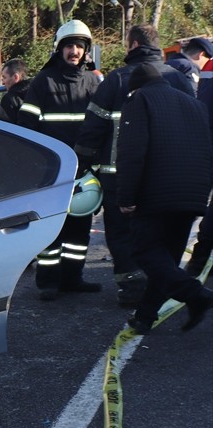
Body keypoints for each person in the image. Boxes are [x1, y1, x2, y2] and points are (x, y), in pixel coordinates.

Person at [73, 25, 173, 308]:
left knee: (121, 234)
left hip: (118, 177)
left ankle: (132, 288)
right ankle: (161, 285)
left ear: (134, 45)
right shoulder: (177, 77)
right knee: (160, 233)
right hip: (165, 177)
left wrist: (82, 165)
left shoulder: (116, 79)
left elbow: (93, 128)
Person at [116, 64, 213, 334]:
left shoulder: (140, 100)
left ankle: (196, 295)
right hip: (192, 193)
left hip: (155, 193)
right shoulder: (194, 104)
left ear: (135, 87)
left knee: (145, 251)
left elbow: (132, 151)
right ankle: (144, 317)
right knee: (166, 260)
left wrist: (126, 195)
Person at [18, 19, 103, 300]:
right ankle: (48, 282)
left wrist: (95, 164)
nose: (74, 51)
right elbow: (27, 126)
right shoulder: (44, 81)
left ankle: (72, 278)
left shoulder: (93, 82)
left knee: (80, 230)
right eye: (69, 46)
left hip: (84, 172)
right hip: (51, 171)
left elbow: (102, 127)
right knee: (51, 228)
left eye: (79, 46)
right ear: (59, 49)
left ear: (86, 50)